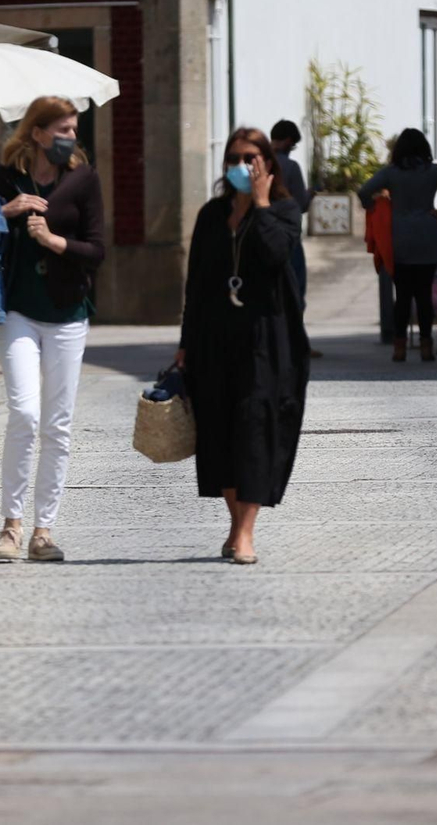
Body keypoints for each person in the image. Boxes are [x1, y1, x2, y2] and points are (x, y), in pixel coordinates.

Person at [0, 97, 106, 562]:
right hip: (17, 309)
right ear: (37, 132)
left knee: (57, 425)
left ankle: (43, 531)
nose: (71, 137)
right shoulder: (1, 177)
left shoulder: (83, 180)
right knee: (25, 415)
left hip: (68, 312)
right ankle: (11, 525)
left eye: (73, 129)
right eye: (62, 129)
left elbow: (98, 250)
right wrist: (5, 211)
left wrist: (53, 241)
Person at [176, 128, 310, 565]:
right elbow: (196, 284)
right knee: (218, 434)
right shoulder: (212, 214)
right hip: (214, 339)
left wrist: (262, 203)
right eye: (233, 158)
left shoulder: (285, 210)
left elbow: (275, 255)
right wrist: (185, 343)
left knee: (254, 430)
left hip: (264, 340)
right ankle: (235, 526)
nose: (241, 166)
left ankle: (246, 533)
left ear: (267, 163)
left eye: (250, 158)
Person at [356, 129, 437, 362]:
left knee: (403, 296)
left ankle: (399, 347)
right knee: (424, 294)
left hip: (399, 238)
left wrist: (376, 207)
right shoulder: (433, 172)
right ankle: (426, 346)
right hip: (428, 234)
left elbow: (364, 191)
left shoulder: (391, 173)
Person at [269, 120, 322, 360]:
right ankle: (296, 344)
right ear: (289, 142)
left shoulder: (259, 163)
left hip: (263, 236)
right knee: (295, 291)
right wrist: (310, 193)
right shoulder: (290, 167)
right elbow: (299, 204)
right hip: (288, 238)